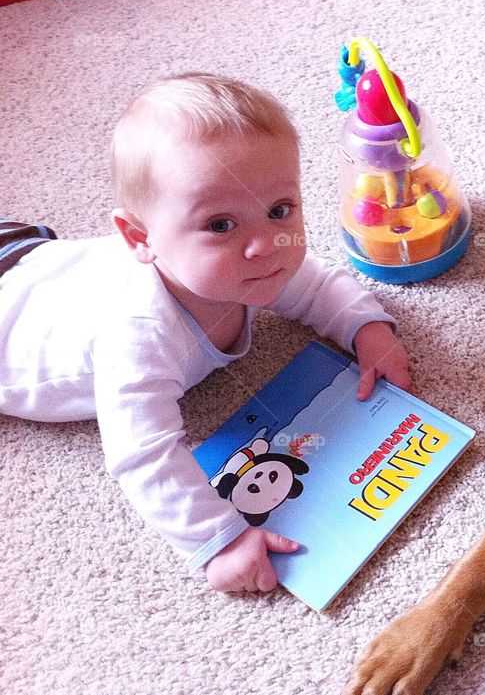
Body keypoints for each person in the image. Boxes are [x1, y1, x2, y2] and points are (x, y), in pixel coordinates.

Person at [0, 73, 412, 593]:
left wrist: (368, 329)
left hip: (32, 255)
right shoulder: (140, 335)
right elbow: (143, 453)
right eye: (220, 225)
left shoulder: (248, 266)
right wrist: (221, 538)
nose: (264, 244)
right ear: (140, 238)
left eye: (279, 210)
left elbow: (315, 284)